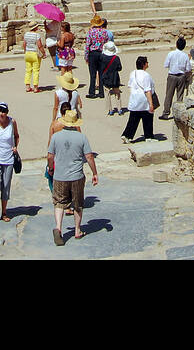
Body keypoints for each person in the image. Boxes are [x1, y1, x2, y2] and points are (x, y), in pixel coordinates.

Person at [46, 109, 98, 246]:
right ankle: (77, 230)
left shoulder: (56, 137)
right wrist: (94, 173)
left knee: (59, 203)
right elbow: (89, 156)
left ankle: (58, 227)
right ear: (75, 123)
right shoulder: (82, 137)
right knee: (78, 204)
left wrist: (51, 168)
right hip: (76, 175)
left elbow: (50, 156)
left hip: (60, 175)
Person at [121, 56, 156, 143]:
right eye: (147, 62)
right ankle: (149, 136)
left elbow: (130, 86)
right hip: (144, 99)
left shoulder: (133, 73)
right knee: (148, 117)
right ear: (144, 64)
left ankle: (127, 135)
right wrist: (151, 104)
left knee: (133, 118)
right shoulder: (146, 75)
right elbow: (147, 90)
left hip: (134, 98)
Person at [159, 37, 191, 120]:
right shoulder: (185, 56)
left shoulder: (171, 54)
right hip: (181, 76)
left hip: (172, 76)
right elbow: (188, 69)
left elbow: (166, 65)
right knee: (180, 95)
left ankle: (166, 113)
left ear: (176, 45)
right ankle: (178, 113)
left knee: (169, 95)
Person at [49, 70, 83, 142]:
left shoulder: (58, 93)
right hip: (73, 117)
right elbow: (77, 105)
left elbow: (55, 107)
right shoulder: (75, 93)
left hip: (61, 116)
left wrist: (53, 120)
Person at [84, 15, 109, 98]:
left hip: (93, 53)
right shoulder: (104, 32)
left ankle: (92, 92)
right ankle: (101, 92)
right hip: (101, 53)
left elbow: (88, 44)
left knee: (92, 74)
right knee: (101, 73)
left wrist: (86, 56)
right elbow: (106, 43)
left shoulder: (91, 32)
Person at [99, 41, 124, 115]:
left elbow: (101, 68)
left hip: (106, 76)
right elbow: (119, 68)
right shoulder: (116, 58)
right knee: (117, 93)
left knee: (107, 94)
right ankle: (119, 109)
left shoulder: (102, 57)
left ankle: (110, 110)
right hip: (115, 77)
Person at [23, 22, 46, 92]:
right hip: (35, 54)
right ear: (35, 27)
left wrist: (25, 51)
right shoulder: (37, 35)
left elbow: (24, 44)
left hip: (28, 53)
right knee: (36, 71)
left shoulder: (26, 34)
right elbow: (39, 45)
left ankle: (27, 86)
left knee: (28, 71)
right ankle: (35, 87)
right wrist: (43, 53)